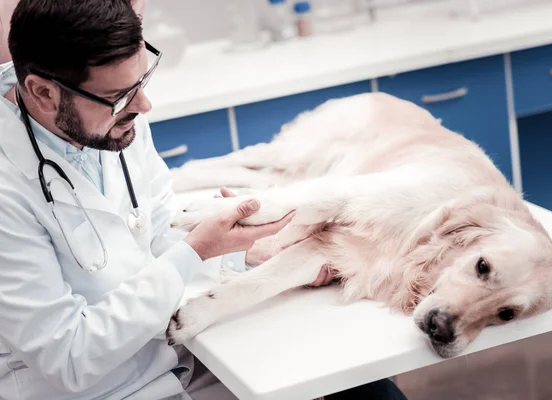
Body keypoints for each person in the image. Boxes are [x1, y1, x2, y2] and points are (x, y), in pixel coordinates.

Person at [0, 1, 408, 399]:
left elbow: (156, 229)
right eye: (122, 96)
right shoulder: (8, 187)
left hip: (176, 358)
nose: (143, 106)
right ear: (43, 92)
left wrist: (248, 251)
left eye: (142, 82)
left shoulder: (110, 117)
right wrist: (195, 251)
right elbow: (68, 357)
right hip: (99, 387)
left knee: (367, 388)